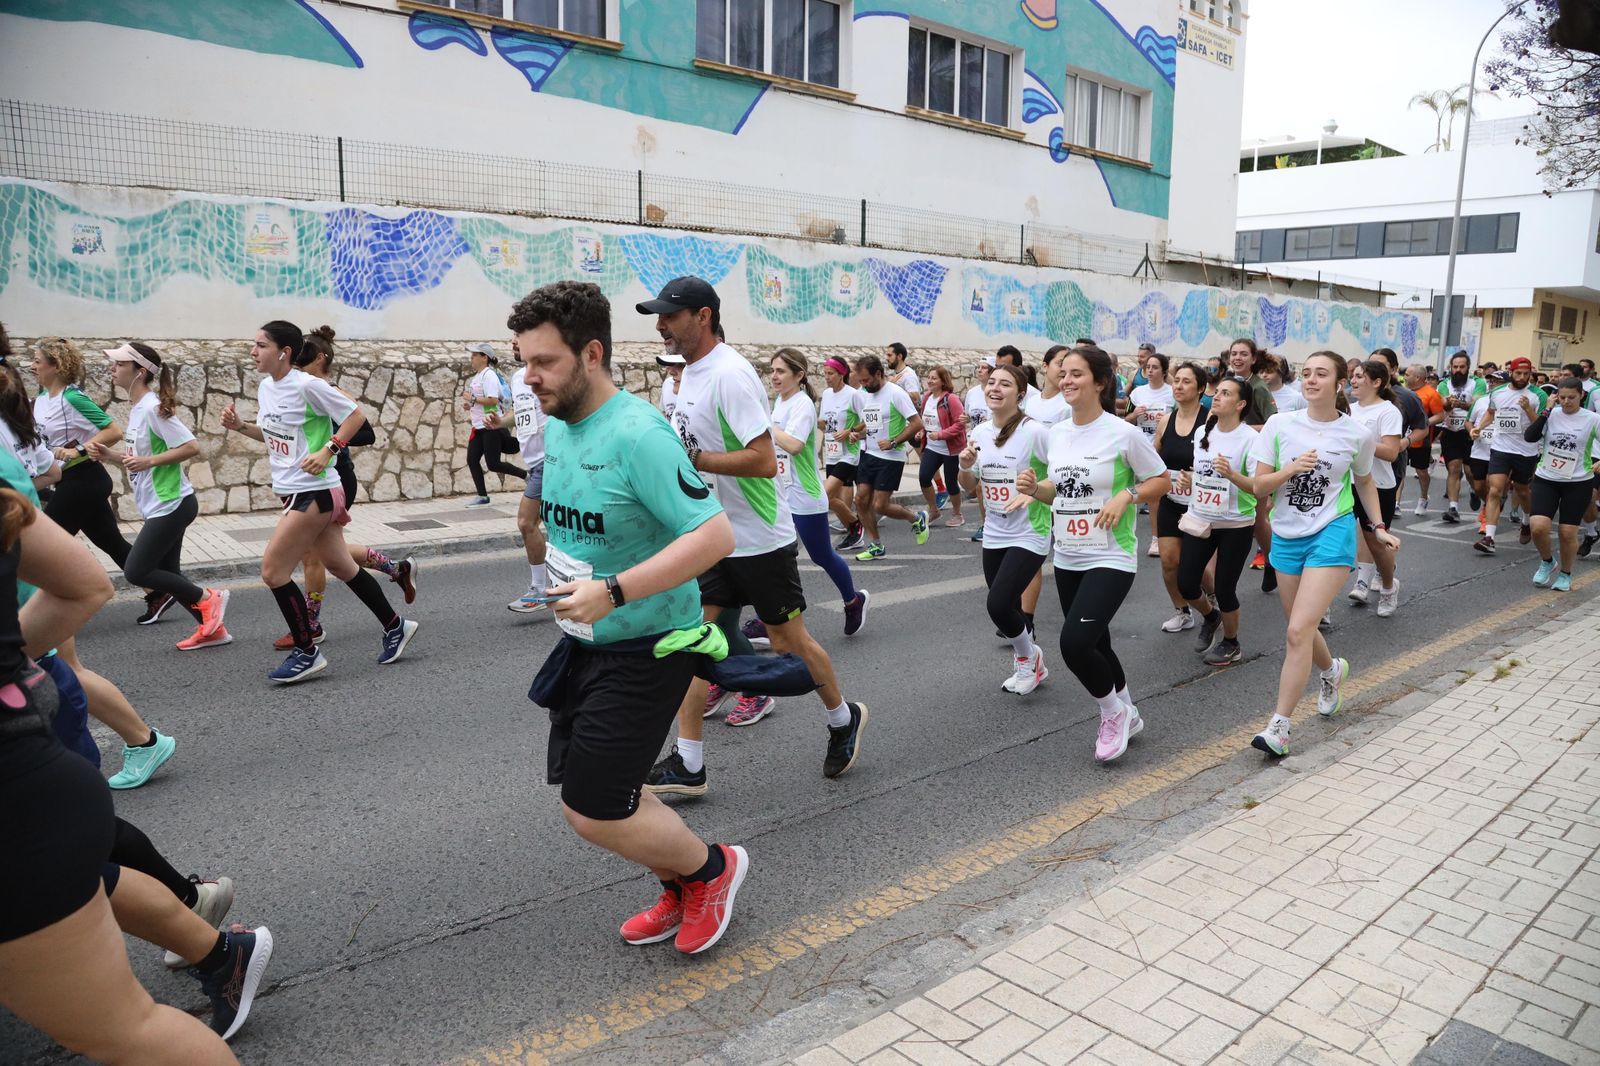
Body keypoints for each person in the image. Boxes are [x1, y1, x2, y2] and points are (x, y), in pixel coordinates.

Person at [506, 280, 749, 957]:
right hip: (587, 642)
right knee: (611, 794)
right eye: (522, 360)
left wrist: (612, 591)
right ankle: (676, 885)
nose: (528, 377)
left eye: (543, 361)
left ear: (590, 353)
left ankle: (711, 871)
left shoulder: (640, 434)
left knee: (593, 807)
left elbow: (713, 536)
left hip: (650, 644)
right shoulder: (560, 424)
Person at [0, 482, 243, 1064]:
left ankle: (150, 738)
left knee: (121, 1029)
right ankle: (210, 932)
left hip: (20, 803)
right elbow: (83, 581)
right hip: (39, 773)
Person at [637, 277, 868, 797]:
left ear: (701, 317)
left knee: (791, 642)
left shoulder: (731, 375)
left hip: (760, 538)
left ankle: (841, 718)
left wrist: (694, 460)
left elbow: (764, 460)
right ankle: (689, 761)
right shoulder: (688, 375)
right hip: (713, 534)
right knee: (693, 640)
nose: (660, 326)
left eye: (669, 316)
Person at [222, 320, 418, 682]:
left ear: (284, 352)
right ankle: (396, 626)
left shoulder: (308, 385)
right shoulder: (267, 388)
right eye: (254, 344)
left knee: (273, 572)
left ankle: (306, 651)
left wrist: (330, 449)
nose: (253, 351)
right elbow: (270, 435)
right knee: (342, 566)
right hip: (293, 489)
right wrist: (240, 427)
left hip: (314, 490)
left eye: (261, 345)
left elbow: (356, 416)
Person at [1013, 346, 1171, 763]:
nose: (1066, 380)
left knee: (1075, 642)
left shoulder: (1123, 433)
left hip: (1110, 555)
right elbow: (1056, 488)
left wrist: (1127, 494)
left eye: (1076, 374)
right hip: (1067, 554)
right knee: (1098, 643)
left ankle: (1112, 713)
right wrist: (1035, 489)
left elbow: (1161, 480)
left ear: (1099, 383)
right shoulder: (1057, 433)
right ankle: (1128, 712)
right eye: (1063, 374)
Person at [1249, 351, 1398, 757]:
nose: (1311, 379)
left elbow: (1365, 482)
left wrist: (1379, 528)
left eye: (1322, 374)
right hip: (1286, 534)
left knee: (1297, 631)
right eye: (1307, 372)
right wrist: (1290, 470)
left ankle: (1279, 728)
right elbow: (1260, 487)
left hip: (1332, 531)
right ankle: (1331, 671)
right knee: (1302, 626)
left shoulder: (1355, 434)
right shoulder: (1279, 425)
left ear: (1339, 383)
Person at [270, 327, 416, 648]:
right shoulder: (299, 388)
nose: (298, 363)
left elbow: (366, 432)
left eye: (304, 356)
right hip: (312, 478)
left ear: (320, 358)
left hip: (335, 476)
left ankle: (311, 626)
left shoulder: (327, 388)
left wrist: (331, 444)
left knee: (312, 555)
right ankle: (394, 569)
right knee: (326, 553)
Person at [98, 344, 231, 651]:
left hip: (172, 503)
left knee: (137, 570)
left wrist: (148, 462)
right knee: (170, 573)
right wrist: (110, 455)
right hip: (161, 503)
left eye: (119, 364)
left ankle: (209, 598)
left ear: (140, 372)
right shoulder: (138, 409)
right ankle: (213, 630)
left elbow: (190, 447)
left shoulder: (152, 409)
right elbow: (138, 458)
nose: (113, 368)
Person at [29, 337, 149, 615]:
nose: (32, 366)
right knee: (111, 541)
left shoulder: (71, 398)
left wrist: (78, 450)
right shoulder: (40, 400)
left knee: (45, 548)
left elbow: (113, 430)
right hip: (68, 482)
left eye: (37, 361)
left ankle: (43, 611)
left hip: (85, 480)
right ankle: (161, 591)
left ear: (56, 366)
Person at [959, 365, 1051, 694]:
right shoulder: (981, 433)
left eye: (1006, 384)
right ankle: (1031, 658)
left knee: (997, 605)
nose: (995, 388)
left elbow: (1060, 475)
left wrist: (1034, 491)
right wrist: (965, 466)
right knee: (1006, 608)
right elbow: (969, 486)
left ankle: (1028, 659)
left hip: (1031, 530)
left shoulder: (1035, 432)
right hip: (995, 531)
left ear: (1020, 394)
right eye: (992, 382)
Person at [768, 349, 869, 644]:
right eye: (772, 370)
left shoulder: (802, 405)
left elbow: (795, 445)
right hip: (782, 493)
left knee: (821, 555)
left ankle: (853, 601)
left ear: (798, 375)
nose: (774, 376)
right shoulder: (779, 401)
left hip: (806, 495)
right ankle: (773, 618)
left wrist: (766, 427)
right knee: (774, 556)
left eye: (781, 371)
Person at [1179, 375, 1260, 666]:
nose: (1217, 396)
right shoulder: (1204, 431)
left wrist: (1231, 475)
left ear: (1240, 404)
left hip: (1235, 523)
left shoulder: (1251, 438)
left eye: (1226, 393)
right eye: (1218, 391)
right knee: (1186, 583)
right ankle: (1211, 617)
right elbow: (1202, 473)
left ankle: (1231, 642)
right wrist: (1191, 480)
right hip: (1201, 518)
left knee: (1225, 589)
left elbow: (1257, 486)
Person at [848, 354, 928, 561]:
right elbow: (871, 425)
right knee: (860, 499)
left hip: (891, 456)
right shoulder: (863, 394)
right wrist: (858, 434)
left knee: (880, 505)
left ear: (878, 373)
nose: (864, 385)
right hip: (870, 454)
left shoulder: (896, 394)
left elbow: (917, 423)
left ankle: (916, 518)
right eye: (861, 381)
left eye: (867, 380)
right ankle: (876, 545)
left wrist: (893, 441)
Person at [1525, 378, 1600, 592]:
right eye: (1562, 397)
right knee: (1538, 527)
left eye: (1572, 397)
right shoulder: (1551, 414)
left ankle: (1566, 573)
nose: (1566, 402)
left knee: (1567, 532)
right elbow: (1530, 437)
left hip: (1577, 481)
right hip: (1546, 477)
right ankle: (1547, 561)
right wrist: (1547, 410)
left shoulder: (1592, 419)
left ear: (1581, 396)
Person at [1152, 362, 1209, 633]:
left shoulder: (1211, 421)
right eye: (1176, 381)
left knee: (1194, 567)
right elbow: (1154, 456)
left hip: (1201, 505)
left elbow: (1218, 463)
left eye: (1186, 381)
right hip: (1171, 501)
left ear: (1201, 388)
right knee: (1168, 560)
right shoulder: (1166, 420)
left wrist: (1196, 477)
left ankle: (1212, 600)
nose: (1179, 386)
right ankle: (1182, 611)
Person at [1347, 360, 1407, 618]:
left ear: (1377, 382)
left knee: (1376, 543)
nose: (1354, 380)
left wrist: (1359, 442)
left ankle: (1387, 585)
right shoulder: (1348, 410)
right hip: (1347, 483)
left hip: (1378, 485)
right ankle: (1325, 604)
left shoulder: (1388, 411)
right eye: (1353, 376)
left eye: (1360, 376)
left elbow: (1391, 452)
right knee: (1337, 540)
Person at [498, 336, 552, 614]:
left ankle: (540, 590)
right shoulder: (519, 377)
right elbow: (520, 412)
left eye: (519, 335)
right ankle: (559, 585)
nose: (512, 341)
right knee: (557, 527)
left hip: (551, 461)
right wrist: (500, 421)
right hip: (533, 463)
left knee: (525, 522)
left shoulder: (550, 371)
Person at [1475, 356, 1548, 555]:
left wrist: (1527, 409)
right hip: (1501, 448)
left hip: (1526, 450)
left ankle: (1526, 521)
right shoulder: (1498, 392)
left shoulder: (1538, 395)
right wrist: (1479, 427)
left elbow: (1540, 426)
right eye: (1518, 373)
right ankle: (1489, 537)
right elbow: (1490, 413)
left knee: (1523, 491)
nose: (1523, 377)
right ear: (1511, 373)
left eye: (1526, 374)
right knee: (1494, 490)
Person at [461, 342, 526, 507]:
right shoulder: (478, 377)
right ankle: (482, 496)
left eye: (475, 355)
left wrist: (472, 399)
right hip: (479, 427)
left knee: (493, 464)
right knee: (472, 459)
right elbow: (483, 401)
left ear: (485, 357)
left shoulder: (489, 375)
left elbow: (493, 400)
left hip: (490, 426)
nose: (472, 358)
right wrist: (471, 405)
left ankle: (526, 475)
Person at [818, 356, 865, 550]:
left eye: (831, 374)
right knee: (830, 498)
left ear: (841, 374)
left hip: (849, 454)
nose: (827, 378)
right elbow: (823, 422)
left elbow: (866, 421)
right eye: (825, 374)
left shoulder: (853, 395)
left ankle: (856, 528)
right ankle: (854, 528)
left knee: (824, 495)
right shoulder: (827, 394)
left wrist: (849, 431)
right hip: (831, 452)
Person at [1437, 351, 1487, 525]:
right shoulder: (1444, 384)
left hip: (1470, 430)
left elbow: (1476, 404)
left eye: (1462, 367)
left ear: (1468, 368)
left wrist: (1461, 404)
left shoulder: (1478, 383)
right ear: (1450, 367)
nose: (1458, 370)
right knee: (1454, 469)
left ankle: (1475, 491)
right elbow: (1444, 403)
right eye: (1455, 367)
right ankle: (1453, 508)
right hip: (1451, 431)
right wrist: (1449, 403)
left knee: (1470, 472)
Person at [918, 366, 966, 527]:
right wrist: (921, 432)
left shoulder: (951, 399)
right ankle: (933, 510)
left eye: (934, 378)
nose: (930, 381)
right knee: (924, 477)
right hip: (932, 447)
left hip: (951, 448)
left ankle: (957, 514)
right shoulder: (926, 398)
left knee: (951, 482)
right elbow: (924, 420)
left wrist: (940, 434)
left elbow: (960, 424)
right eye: (929, 377)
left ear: (943, 381)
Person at [1125, 351, 1174, 443]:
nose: (1150, 370)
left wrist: (1168, 420)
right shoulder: (1136, 393)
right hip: (1140, 444)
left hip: (1164, 444)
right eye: (1148, 367)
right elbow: (1125, 419)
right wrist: (1134, 415)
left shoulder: (1173, 393)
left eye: (1155, 367)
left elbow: (1181, 420)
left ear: (1164, 372)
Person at [658, 351, 684, 421]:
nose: (671, 372)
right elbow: (664, 413)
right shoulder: (668, 384)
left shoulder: (708, 392)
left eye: (680, 365)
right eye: (670, 364)